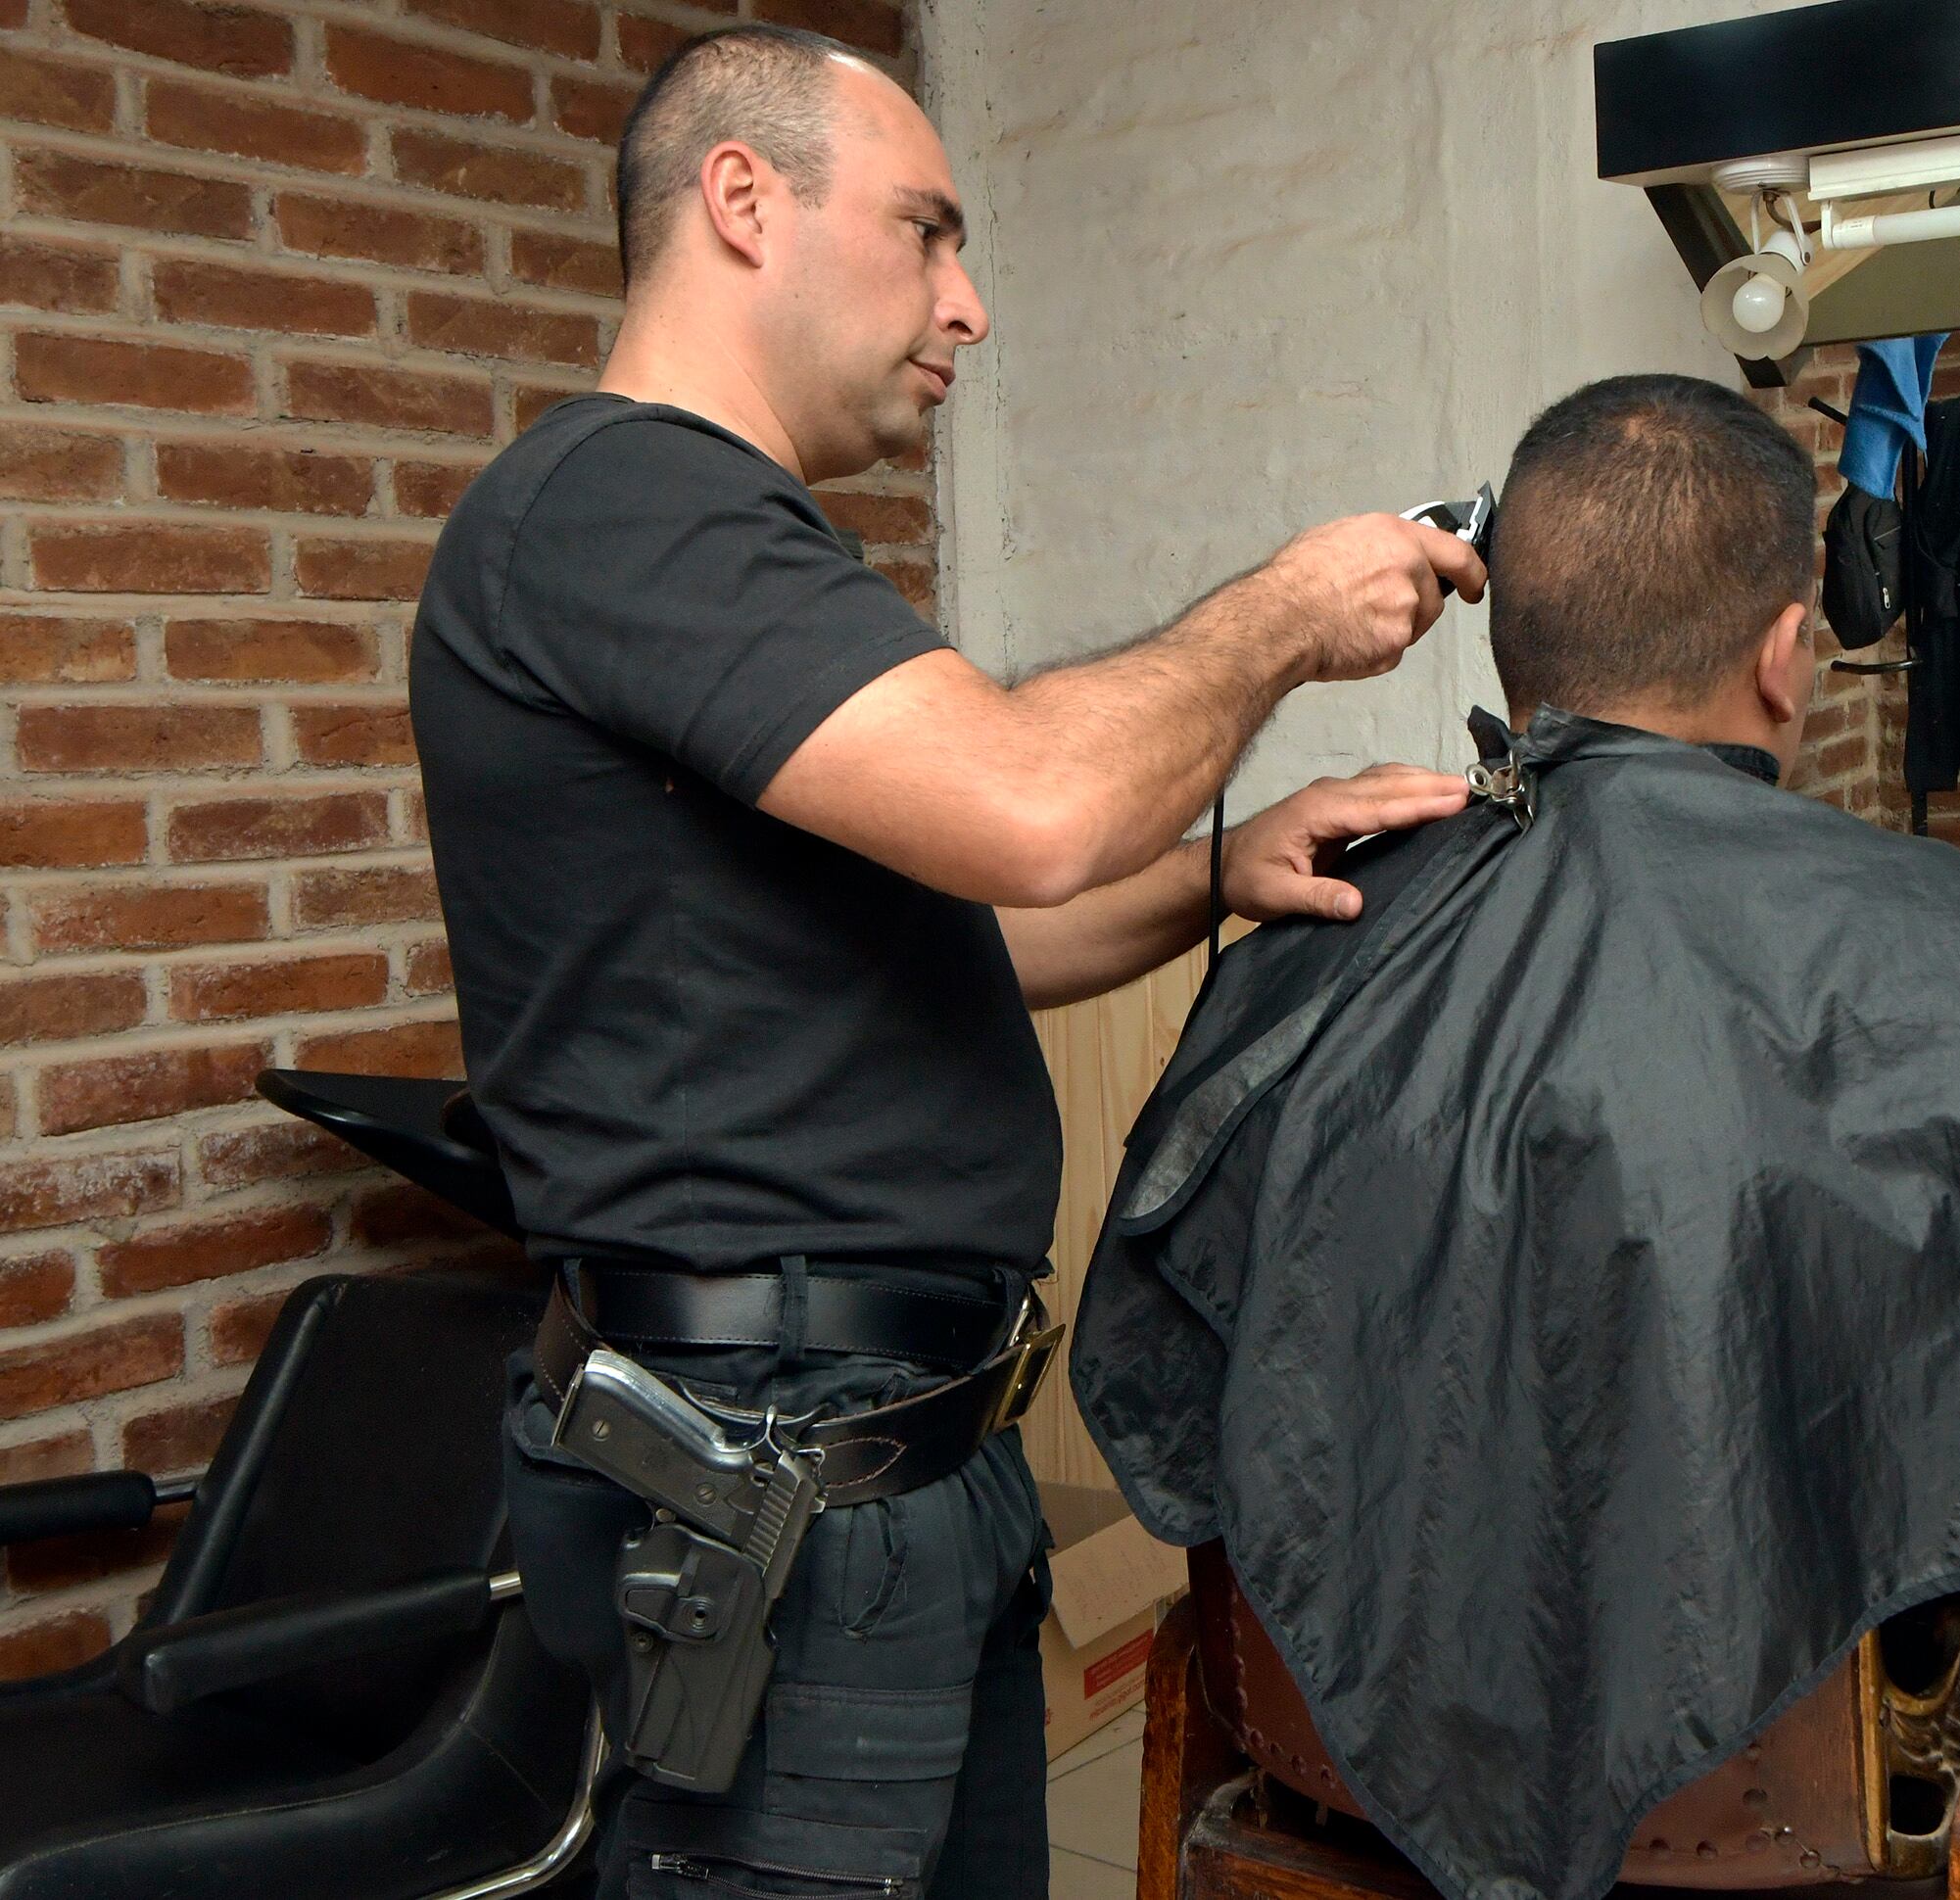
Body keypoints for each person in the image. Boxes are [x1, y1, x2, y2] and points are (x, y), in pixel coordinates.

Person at [408, 25, 1485, 1900]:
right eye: (926, 232)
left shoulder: (722, 546)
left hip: (899, 1475)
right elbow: (1034, 806)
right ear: (743, 202)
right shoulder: (622, 506)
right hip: (767, 1487)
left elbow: (978, 914)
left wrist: (1220, 872)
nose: (968, 305)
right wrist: (1289, 613)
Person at [1073, 374, 1960, 1900]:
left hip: (1329, 1783)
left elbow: (1181, 1359)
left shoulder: (1318, 920)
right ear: (1789, 657)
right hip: (1795, 1847)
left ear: (1513, 643)